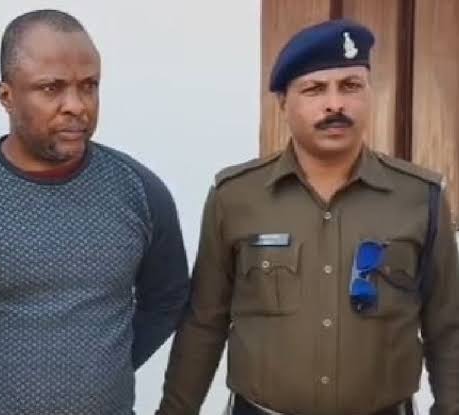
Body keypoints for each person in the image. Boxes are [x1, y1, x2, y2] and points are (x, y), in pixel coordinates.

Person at [0, 9, 190, 414]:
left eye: (89, 86)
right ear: (6, 96)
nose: (76, 106)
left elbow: (167, 299)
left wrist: (105, 364)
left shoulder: (139, 191)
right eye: (51, 88)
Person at [156, 19, 459, 415]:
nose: (335, 104)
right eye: (315, 89)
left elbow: (447, 328)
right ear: (283, 102)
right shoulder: (236, 197)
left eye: (350, 86)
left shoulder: (420, 197)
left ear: (370, 93)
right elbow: (203, 324)